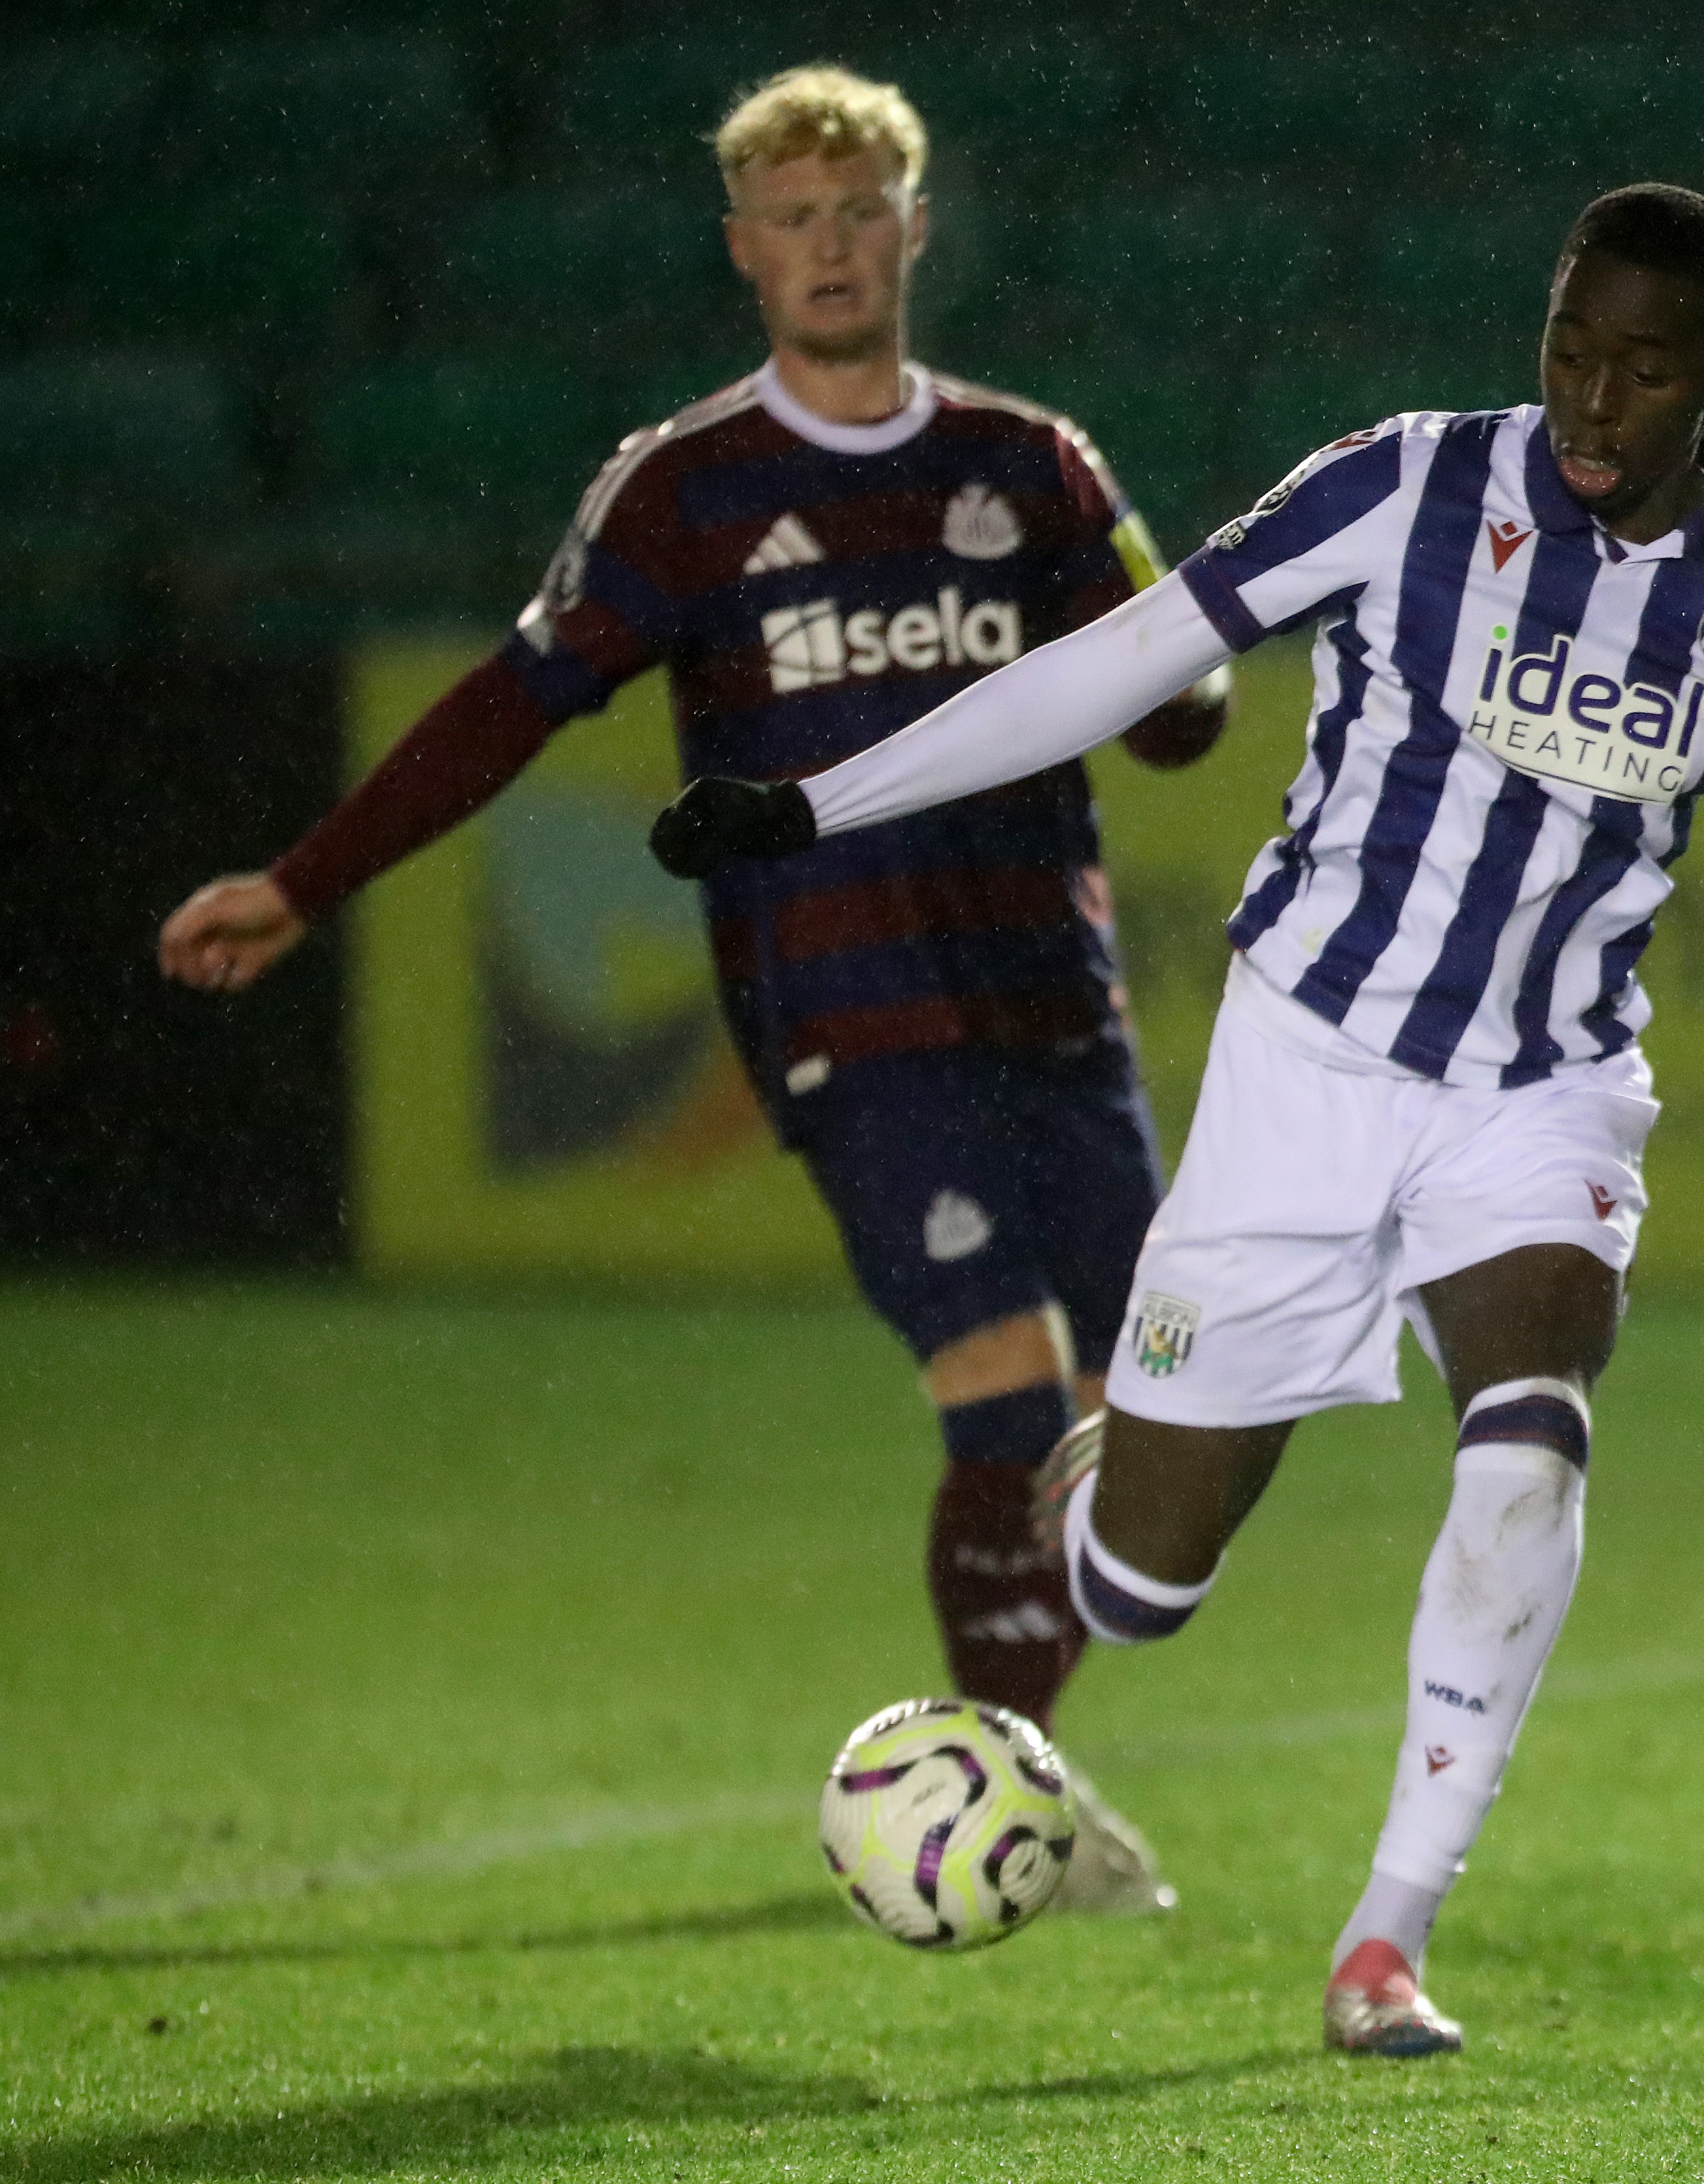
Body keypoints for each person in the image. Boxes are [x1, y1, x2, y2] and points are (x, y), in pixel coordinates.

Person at [649, 182, 1704, 2056]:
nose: (1589, 401)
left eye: (1641, 372)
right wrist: (821, 801)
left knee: (1526, 1455)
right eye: (1569, 348)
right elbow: (1131, 658)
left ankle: (1386, 1938)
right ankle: (1104, 1478)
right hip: (1303, 1071)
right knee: (1143, 1595)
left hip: (1543, 1091)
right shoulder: (1400, 486)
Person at [156, 65, 1226, 1909]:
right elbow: (515, 704)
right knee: (1000, 1383)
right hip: (846, 1009)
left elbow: (1179, 696)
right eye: (791, 221)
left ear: (913, 227)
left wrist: (1185, 676)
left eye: (857, 211)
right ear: (744, 253)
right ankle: (1009, 1799)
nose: (827, 248)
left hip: (1051, 998)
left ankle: (1015, 1765)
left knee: (1142, 1421)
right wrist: (304, 880)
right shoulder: (685, 489)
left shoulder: (1032, 463)